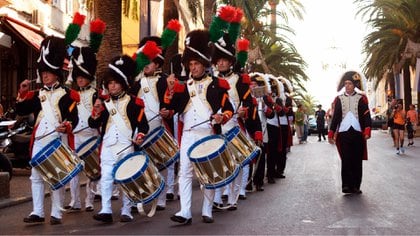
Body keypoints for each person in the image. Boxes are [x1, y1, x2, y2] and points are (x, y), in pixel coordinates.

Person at [169, 29, 234, 224]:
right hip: (188, 135)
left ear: (204, 64)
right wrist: (170, 92)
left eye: (196, 63)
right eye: (191, 64)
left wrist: (222, 116)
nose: (193, 67)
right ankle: (185, 211)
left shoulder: (218, 84)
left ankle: (207, 210)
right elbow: (172, 108)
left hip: (207, 134)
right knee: (185, 172)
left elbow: (229, 108)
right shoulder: (182, 86)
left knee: (209, 173)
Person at [17, 36, 79, 225]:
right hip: (39, 140)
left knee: (56, 176)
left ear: (56, 74)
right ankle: (37, 211)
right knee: (35, 175)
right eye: (43, 72)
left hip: (57, 140)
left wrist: (66, 126)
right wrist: (22, 92)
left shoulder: (68, 95)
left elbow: (73, 118)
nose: (44, 75)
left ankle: (56, 213)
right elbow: (21, 110)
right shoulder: (37, 95)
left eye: (48, 72)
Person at [89, 55, 149, 223]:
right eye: (110, 83)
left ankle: (126, 210)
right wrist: (96, 112)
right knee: (106, 177)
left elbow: (143, 126)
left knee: (126, 178)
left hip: (126, 145)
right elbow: (92, 123)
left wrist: (139, 136)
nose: (112, 86)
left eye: (115, 82)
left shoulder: (135, 103)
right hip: (108, 145)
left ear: (123, 83)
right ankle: (106, 209)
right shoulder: (103, 103)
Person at [63, 15, 105, 213]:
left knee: (91, 170)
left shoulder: (97, 94)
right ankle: (75, 201)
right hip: (75, 135)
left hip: (91, 134)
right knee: (73, 170)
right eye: (77, 77)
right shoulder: (71, 95)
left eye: (83, 77)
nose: (79, 80)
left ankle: (89, 199)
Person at [130, 34, 177, 211]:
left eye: (150, 62)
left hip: (158, 128)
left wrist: (167, 110)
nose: (146, 65)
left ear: (157, 64)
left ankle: (163, 197)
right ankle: (142, 197)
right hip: (141, 130)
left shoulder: (164, 81)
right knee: (141, 165)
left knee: (162, 163)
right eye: (145, 61)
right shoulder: (136, 83)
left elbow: (169, 103)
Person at [328, 71, 371, 194]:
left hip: (358, 133)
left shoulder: (361, 98)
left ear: (354, 85)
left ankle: (356, 186)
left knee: (357, 160)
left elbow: (367, 116)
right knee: (346, 159)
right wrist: (331, 133)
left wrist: (367, 130)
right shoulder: (339, 99)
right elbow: (335, 117)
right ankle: (346, 185)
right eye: (346, 84)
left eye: (350, 84)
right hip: (344, 133)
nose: (347, 86)